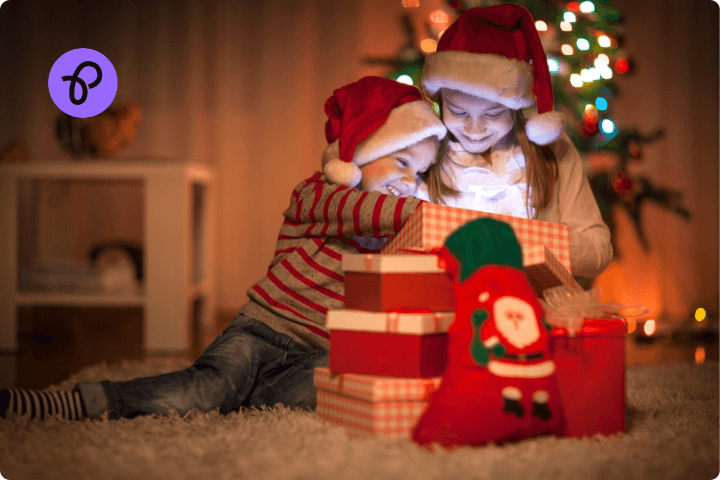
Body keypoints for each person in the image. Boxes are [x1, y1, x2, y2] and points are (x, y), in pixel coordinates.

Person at [0, 76, 446, 421]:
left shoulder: (392, 233)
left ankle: (248, 402)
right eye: (402, 162)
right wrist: (429, 218)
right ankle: (82, 402)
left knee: (329, 386)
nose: (410, 182)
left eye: (421, 174)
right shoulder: (320, 193)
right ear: (357, 156)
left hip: (317, 351)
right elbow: (363, 209)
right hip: (263, 331)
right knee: (202, 391)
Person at [414, 4, 612, 280]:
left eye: (493, 114)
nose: (474, 129)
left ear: (515, 107)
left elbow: (598, 249)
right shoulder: (421, 153)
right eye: (457, 112)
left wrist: (518, 241)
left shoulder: (552, 149)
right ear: (439, 100)